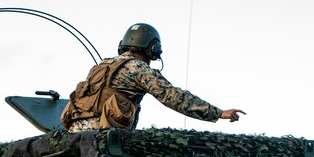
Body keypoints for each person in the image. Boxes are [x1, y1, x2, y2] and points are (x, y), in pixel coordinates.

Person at [60, 23, 245, 132]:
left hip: (75, 132)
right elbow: (174, 97)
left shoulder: (102, 65)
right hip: (102, 134)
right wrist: (218, 113)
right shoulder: (138, 69)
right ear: (153, 50)